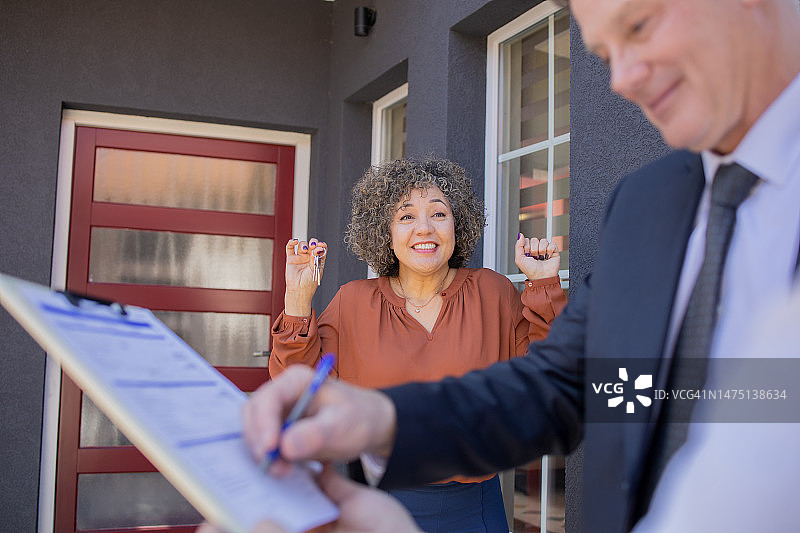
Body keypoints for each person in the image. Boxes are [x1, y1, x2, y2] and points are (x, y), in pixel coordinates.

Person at [212, 0, 800, 531]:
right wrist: (386, 421)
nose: (621, 78)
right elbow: (576, 387)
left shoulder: (490, 291)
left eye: (640, 25)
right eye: (603, 52)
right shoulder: (647, 203)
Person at [266, 157, 566, 532]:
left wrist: (542, 286)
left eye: (438, 214)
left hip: (474, 508)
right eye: (406, 216)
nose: (424, 228)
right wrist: (297, 299)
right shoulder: (353, 302)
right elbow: (298, 390)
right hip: (376, 506)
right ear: (385, 232)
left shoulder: (492, 293)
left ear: (458, 225)